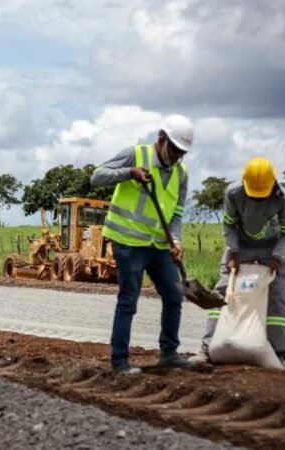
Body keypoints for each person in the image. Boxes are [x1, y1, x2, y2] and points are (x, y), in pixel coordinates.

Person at [90, 114, 196, 375]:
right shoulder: (135, 154)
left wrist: (176, 240)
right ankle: (120, 361)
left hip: (158, 245)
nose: (177, 157)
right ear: (161, 139)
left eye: (182, 153)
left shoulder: (181, 173)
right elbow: (97, 177)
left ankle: (169, 354)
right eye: (174, 150)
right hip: (128, 243)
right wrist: (129, 173)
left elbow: (177, 213)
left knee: (174, 295)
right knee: (129, 300)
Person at [194, 157, 285, 365]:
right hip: (240, 246)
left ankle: (277, 355)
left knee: (277, 298)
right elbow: (229, 225)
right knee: (222, 292)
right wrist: (233, 252)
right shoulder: (233, 193)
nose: (257, 200)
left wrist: (278, 256)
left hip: (272, 248)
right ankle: (206, 350)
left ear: (273, 184)